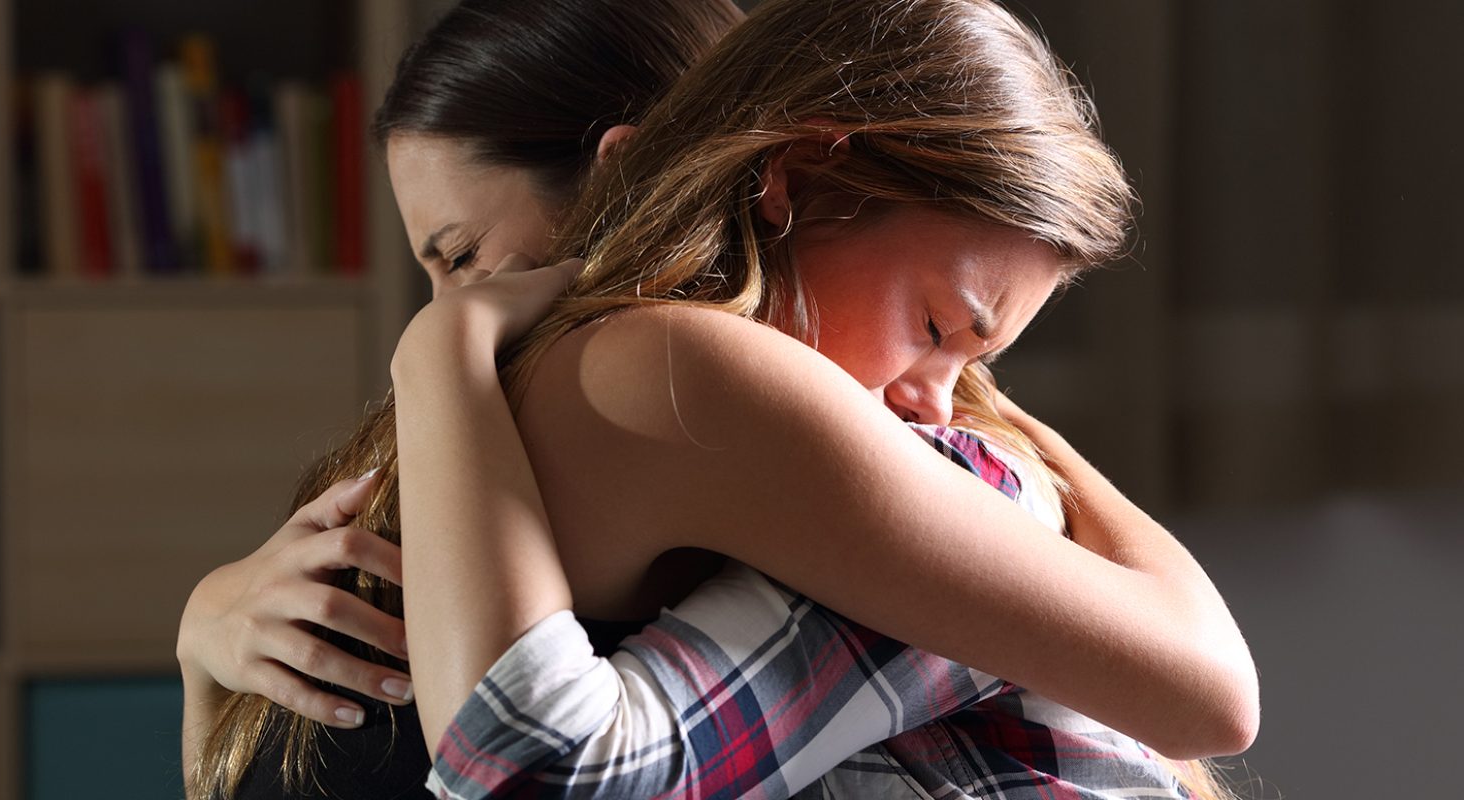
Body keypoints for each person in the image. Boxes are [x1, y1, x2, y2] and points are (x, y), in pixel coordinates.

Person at [183, 0, 1255, 798]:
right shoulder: (666, 369)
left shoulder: (505, 412)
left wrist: (199, 635)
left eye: (464, 256)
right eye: (938, 329)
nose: (937, 402)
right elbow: (1208, 688)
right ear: (782, 179)